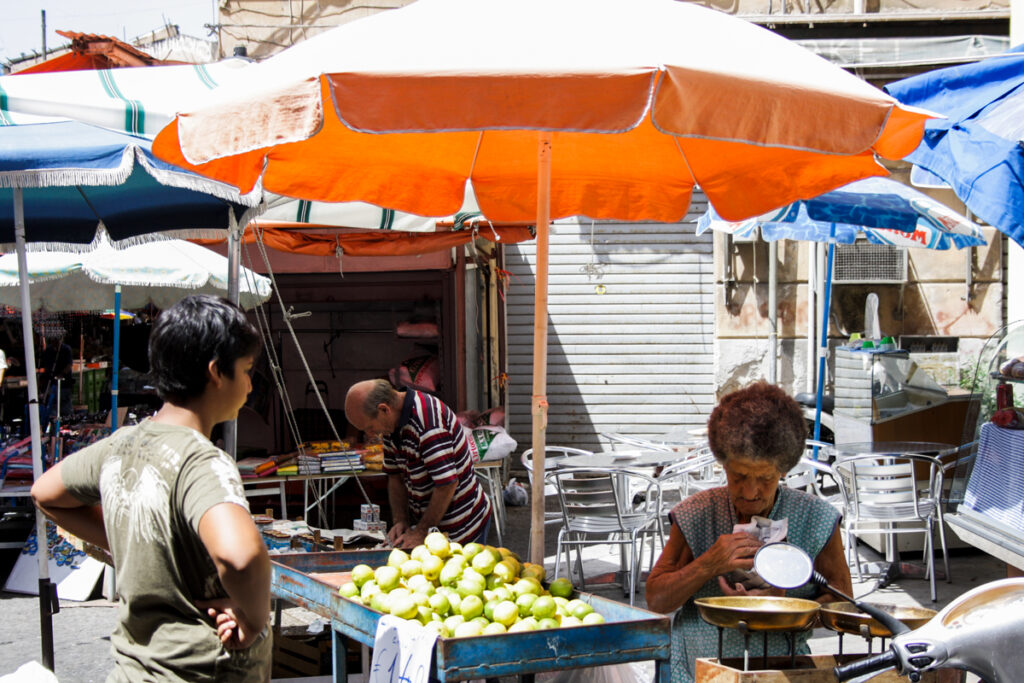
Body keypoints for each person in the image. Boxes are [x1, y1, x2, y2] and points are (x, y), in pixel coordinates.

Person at [31, 295, 272, 682]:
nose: (248, 384)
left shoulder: (121, 444)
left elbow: (45, 493)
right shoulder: (201, 460)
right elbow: (241, 558)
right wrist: (253, 619)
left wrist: (131, 540)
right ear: (215, 372)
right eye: (245, 369)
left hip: (134, 668)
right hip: (198, 669)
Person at [645, 381, 851, 682]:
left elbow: (843, 603)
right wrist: (710, 564)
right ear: (722, 465)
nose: (751, 491)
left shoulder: (816, 518)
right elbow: (656, 600)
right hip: (692, 670)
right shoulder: (696, 513)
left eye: (765, 478)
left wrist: (788, 607)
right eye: (739, 476)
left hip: (778, 672)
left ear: (784, 470)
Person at [344, 378, 491, 548]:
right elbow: (395, 476)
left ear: (384, 409)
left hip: (463, 525)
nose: (370, 433)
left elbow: (446, 485)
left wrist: (421, 532)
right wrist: (401, 520)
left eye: (369, 427)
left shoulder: (428, 423)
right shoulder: (391, 426)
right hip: (431, 524)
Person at [39, 333, 73, 423]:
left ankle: (67, 422)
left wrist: (62, 374)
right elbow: (45, 366)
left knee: (65, 405)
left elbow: (69, 364)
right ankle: (54, 423)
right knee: (53, 405)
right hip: (52, 383)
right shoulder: (48, 351)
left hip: (64, 384)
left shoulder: (66, 349)